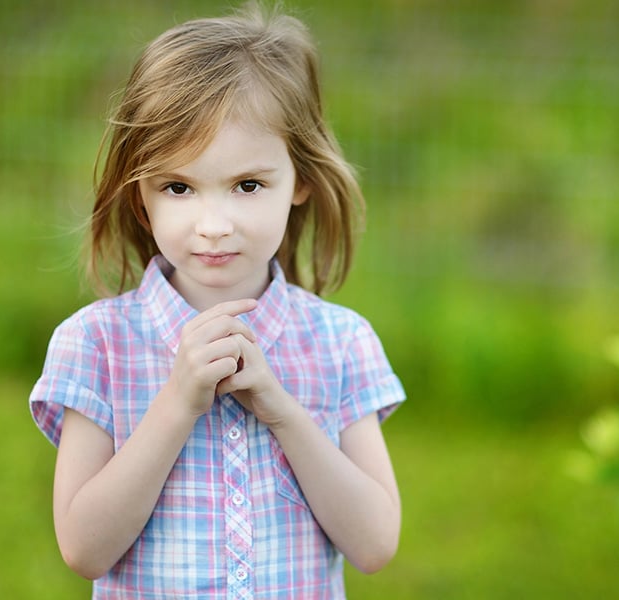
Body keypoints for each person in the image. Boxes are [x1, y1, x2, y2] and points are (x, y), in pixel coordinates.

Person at [28, 3, 405, 598]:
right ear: (140, 195)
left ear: (300, 179)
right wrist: (177, 401)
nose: (213, 224)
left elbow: (375, 543)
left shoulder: (341, 342)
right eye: (178, 187)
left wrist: (281, 409)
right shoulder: (96, 344)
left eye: (247, 185)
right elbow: (83, 548)